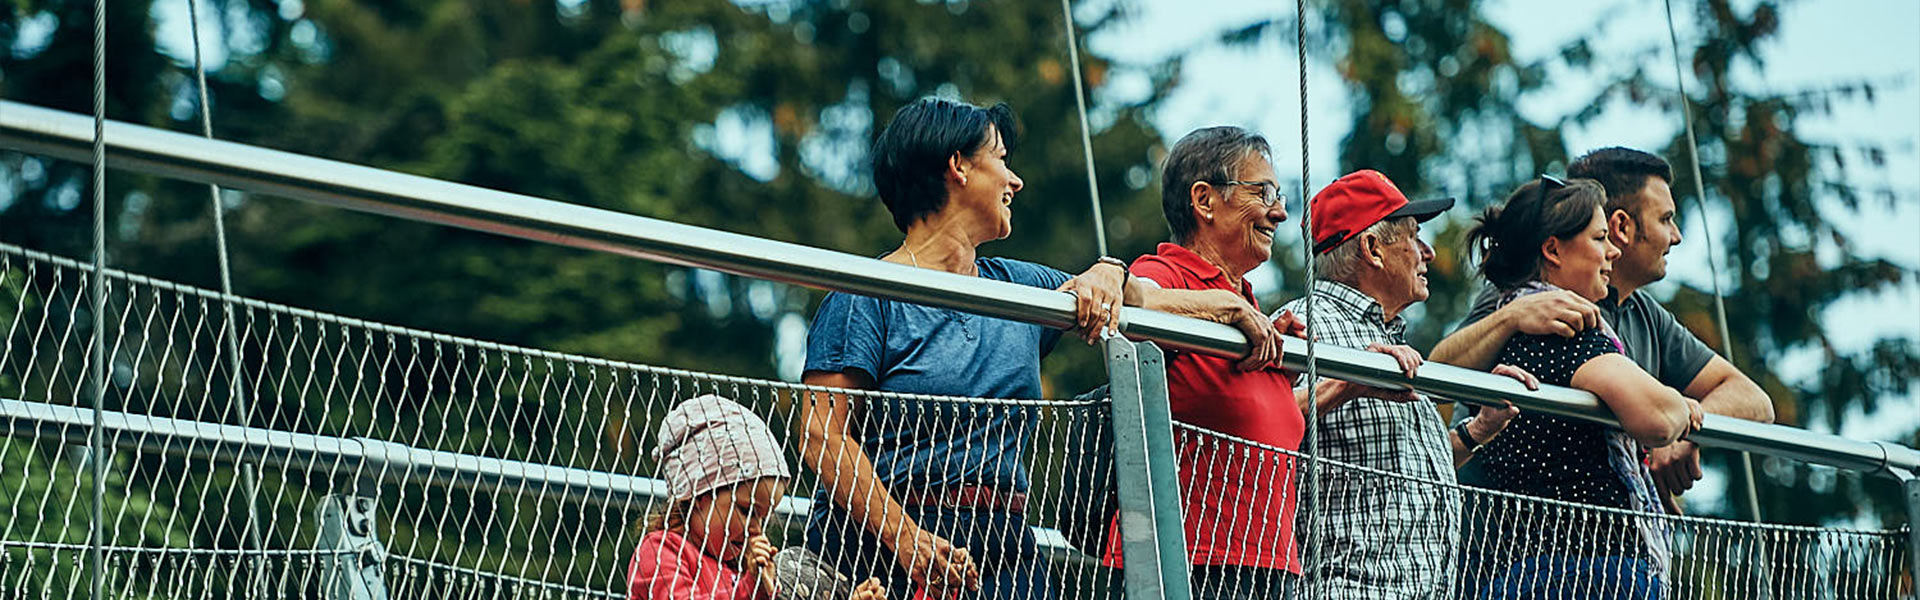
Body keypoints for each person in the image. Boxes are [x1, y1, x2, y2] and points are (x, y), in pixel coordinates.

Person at [795, 99, 1281, 600]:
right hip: (886, 545)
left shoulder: (1018, 287)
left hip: (1003, 545)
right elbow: (820, 434)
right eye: (1001, 158)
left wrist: (1122, 277)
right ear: (957, 166)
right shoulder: (866, 294)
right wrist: (906, 539)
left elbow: (1143, 299)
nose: (1015, 180)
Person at [1098, 127, 1429, 600]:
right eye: (1263, 192)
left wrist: (1349, 384)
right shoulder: (1170, 273)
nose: (1279, 210)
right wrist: (1227, 310)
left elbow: (1254, 428)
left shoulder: (1248, 304)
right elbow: (1132, 305)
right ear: (1205, 201)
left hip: (1268, 569)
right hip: (1190, 565)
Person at [1432, 148, 1774, 507]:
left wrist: (1683, 436)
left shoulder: (1645, 314)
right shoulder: (1529, 299)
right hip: (1519, 538)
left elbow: (1754, 401)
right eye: (1666, 219)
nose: (1676, 236)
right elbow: (1437, 380)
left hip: (1592, 541)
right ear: (1622, 226)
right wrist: (1512, 316)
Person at [1275, 170, 1531, 599]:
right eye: (1414, 236)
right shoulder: (1303, 324)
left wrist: (1479, 429)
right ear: (1372, 248)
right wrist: (1350, 384)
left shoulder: (1392, 338)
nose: (1428, 252)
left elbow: (1412, 472)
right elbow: (1258, 424)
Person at [1455, 176, 1706, 599]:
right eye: (1600, 238)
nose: (1613, 252)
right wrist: (1682, 404)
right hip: (1585, 570)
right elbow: (1657, 419)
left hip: (1518, 571)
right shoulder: (1568, 331)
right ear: (1553, 250)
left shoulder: (1503, 326)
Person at [630, 395, 888, 600]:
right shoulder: (660, 551)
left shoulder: (742, 567)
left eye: (762, 518)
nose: (756, 530)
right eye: (747, 510)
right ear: (699, 493)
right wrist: (751, 589)